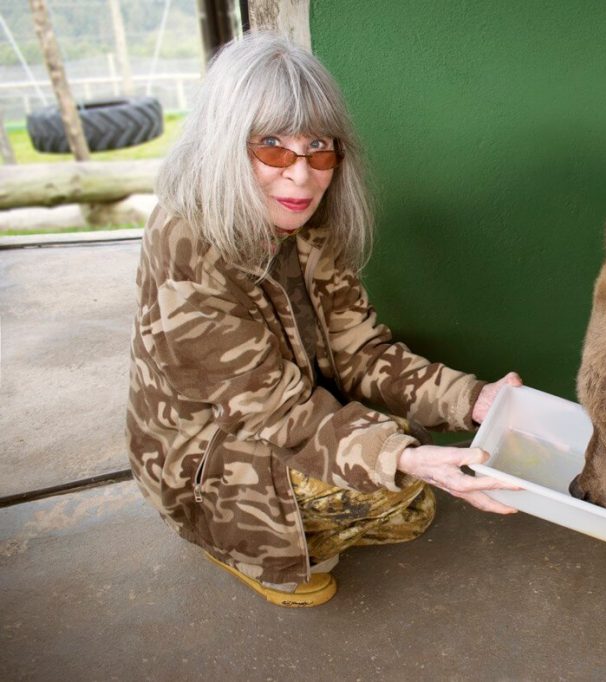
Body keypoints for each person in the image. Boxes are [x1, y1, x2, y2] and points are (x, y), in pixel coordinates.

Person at [126, 32, 522, 608]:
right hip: (204, 453)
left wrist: (476, 400)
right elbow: (270, 407)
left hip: (283, 412)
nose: (303, 175)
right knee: (397, 486)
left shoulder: (308, 222)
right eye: (271, 146)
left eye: (319, 147)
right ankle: (226, 539)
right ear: (221, 144)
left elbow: (362, 351)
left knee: (408, 500)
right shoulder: (187, 247)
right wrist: (402, 456)